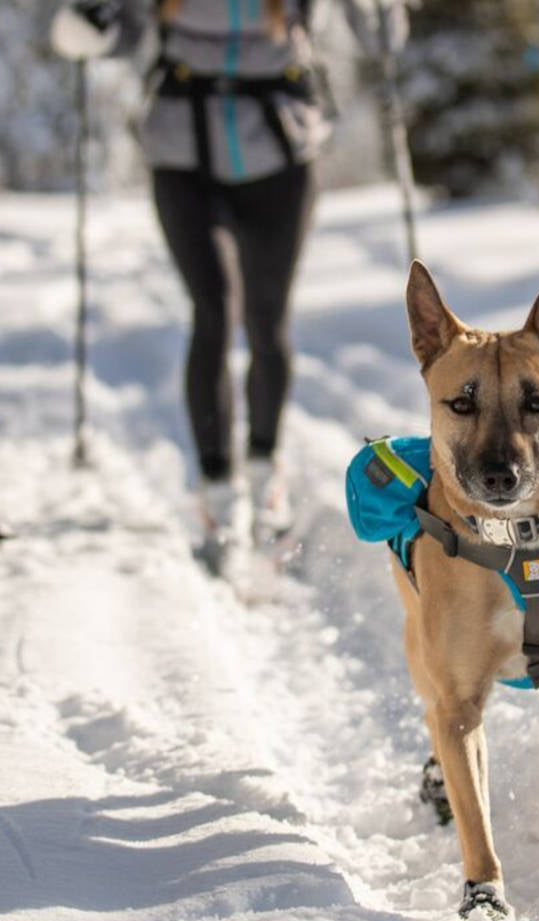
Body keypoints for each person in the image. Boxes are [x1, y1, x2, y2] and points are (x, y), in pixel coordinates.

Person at [50, 0, 329, 551]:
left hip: (281, 153)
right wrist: (88, 29)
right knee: (213, 312)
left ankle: (263, 469)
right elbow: (124, 35)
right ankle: (218, 486)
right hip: (183, 156)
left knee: (267, 319)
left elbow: (369, 29)